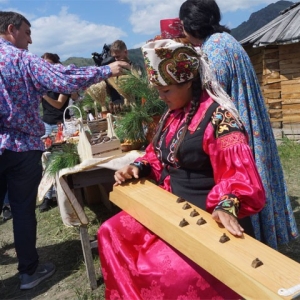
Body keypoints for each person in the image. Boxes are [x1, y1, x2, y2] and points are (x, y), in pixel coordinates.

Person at [97, 39, 266, 299]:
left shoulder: (221, 119)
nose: (160, 97)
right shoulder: (173, 114)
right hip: (169, 208)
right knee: (109, 232)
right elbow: (158, 155)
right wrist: (138, 167)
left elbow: (241, 177)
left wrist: (226, 205)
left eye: (165, 90)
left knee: (163, 272)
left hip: (207, 217)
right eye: (158, 90)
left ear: (188, 82)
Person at [0, 11, 130, 290]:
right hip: (21, 147)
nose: (30, 40)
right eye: (27, 32)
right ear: (11, 29)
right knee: (22, 210)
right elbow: (63, 78)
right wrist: (106, 70)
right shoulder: (18, 59)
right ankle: (28, 274)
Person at [179, 0, 299, 249]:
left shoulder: (215, 48)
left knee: (246, 180)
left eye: (183, 25)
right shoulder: (225, 41)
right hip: (249, 118)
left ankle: (255, 239)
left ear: (192, 24)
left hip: (236, 129)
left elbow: (213, 94)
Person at [39, 52, 72, 212]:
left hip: (62, 125)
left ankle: (66, 192)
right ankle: (48, 197)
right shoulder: (43, 83)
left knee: (64, 158)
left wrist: (43, 95)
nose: (47, 67)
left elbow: (59, 105)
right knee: (48, 161)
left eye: (49, 64)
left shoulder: (62, 83)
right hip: (47, 125)